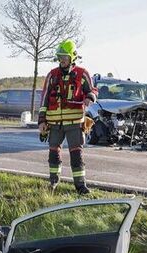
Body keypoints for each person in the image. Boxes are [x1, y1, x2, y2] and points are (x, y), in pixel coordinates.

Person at [38, 39, 97, 194]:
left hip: (75, 122)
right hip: (54, 123)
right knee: (53, 153)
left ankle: (80, 186)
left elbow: (92, 90)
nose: (61, 59)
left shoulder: (82, 74)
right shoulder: (52, 75)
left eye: (64, 56)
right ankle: (53, 182)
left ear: (72, 57)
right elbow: (44, 99)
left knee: (76, 154)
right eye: (60, 56)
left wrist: (89, 97)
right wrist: (42, 121)